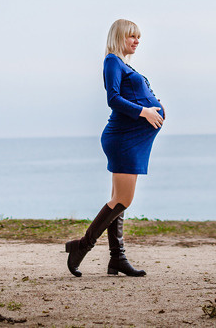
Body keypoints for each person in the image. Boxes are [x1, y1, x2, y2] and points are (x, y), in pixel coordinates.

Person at [65, 19, 165, 277]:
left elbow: (129, 95)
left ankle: (117, 259)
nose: (137, 41)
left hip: (131, 138)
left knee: (118, 200)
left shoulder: (124, 65)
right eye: (132, 36)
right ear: (119, 37)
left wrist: (151, 104)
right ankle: (81, 246)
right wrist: (144, 110)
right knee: (123, 199)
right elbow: (113, 98)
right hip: (123, 139)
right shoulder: (112, 61)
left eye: (139, 37)